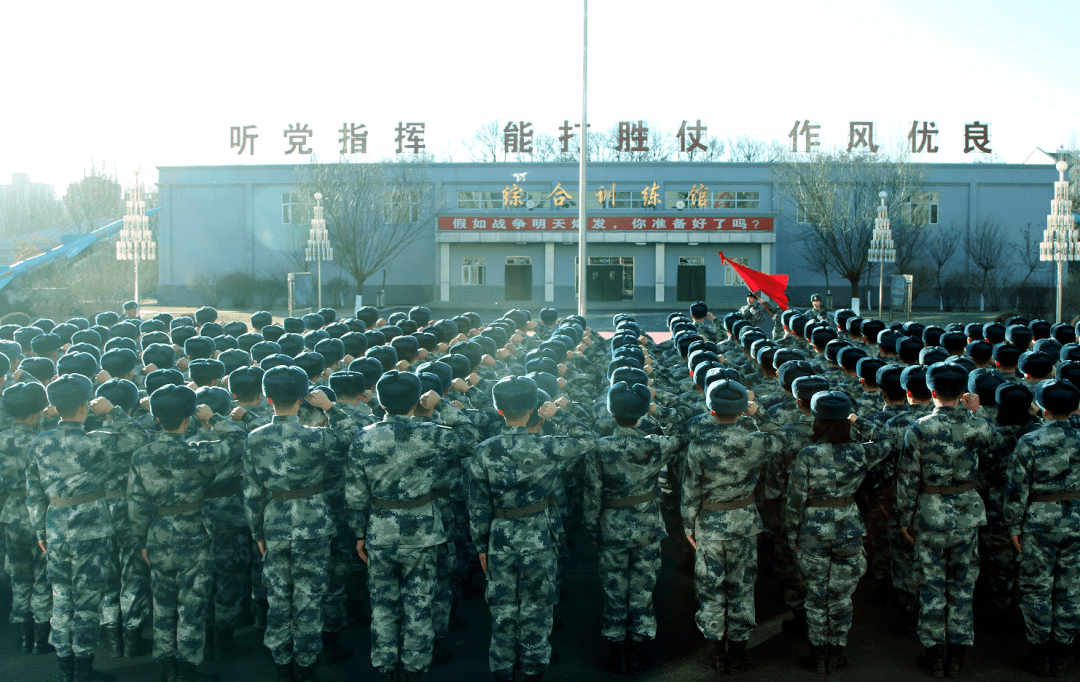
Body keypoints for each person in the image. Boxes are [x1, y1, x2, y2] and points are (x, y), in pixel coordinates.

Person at [345, 370, 478, 682]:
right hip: (423, 529)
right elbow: (472, 441)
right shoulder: (436, 433)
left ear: (380, 401)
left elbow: (354, 493)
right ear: (417, 400)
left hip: (380, 530)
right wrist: (442, 405)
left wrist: (357, 532)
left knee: (383, 605)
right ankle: (416, 669)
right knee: (419, 605)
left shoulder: (364, 436)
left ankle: (385, 669)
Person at [468, 376, 596, 682]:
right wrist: (559, 414)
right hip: (539, 533)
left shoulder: (485, 450)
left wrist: (480, 546)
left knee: (502, 606)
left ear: (499, 411)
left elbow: (477, 505)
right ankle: (533, 665)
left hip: (498, 535)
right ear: (532, 410)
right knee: (537, 604)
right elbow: (588, 440)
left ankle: (502, 666)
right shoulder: (547, 447)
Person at [26, 373, 150, 682]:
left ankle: (65, 667)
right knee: (86, 600)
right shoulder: (96, 440)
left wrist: (40, 531)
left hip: (55, 526)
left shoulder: (39, 442)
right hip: (92, 526)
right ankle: (83, 668)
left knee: (62, 597)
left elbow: (34, 493)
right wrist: (112, 411)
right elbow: (139, 438)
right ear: (85, 406)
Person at [242, 367, 357, 682]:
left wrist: (257, 532)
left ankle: (283, 666)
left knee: (278, 599)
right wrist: (329, 407)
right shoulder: (315, 435)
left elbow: (252, 493)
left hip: (274, 524)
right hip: (313, 524)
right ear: (301, 397)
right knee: (308, 599)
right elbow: (352, 434)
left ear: (268, 399)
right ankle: (306, 668)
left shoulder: (254, 437)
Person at [127, 385, 245, 682]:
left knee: (163, 606)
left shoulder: (141, 455)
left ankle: (168, 668)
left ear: (155, 417)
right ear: (188, 417)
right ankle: (189, 670)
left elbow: (137, 504)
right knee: (192, 605)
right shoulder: (199, 452)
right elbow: (238, 440)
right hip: (194, 534)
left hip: (158, 535)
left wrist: (141, 540)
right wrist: (214, 418)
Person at [897, 362, 1002, 678]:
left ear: (931, 392)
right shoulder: (976, 427)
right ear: (963, 394)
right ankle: (957, 655)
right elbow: (999, 447)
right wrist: (976, 413)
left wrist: (905, 517)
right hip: (967, 513)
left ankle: (934, 652)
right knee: (961, 585)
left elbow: (907, 478)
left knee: (931, 584)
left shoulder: (918, 428)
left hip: (929, 512)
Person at [681, 379, 783, 674]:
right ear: (741, 411)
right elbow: (782, 439)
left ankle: (715, 653)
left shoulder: (699, 445)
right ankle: (738, 654)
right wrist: (759, 414)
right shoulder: (758, 440)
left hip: (709, 526)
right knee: (741, 589)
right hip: (743, 524)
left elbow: (690, 491)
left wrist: (688, 526)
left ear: (711, 410)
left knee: (711, 590)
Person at [584, 381, 682, 674]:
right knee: (643, 589)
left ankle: (616, 650)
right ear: (640, 416)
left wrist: (592, 529)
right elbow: (681, 433)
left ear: (611, 414)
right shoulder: (653, 445)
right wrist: (656, 408)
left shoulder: (598, 448)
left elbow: (592, 494)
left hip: (611, 528)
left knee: (614, 590)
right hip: (647, 527)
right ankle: (638, 649)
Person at [785, 391, 886, 673]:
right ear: (845, 421)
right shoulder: (859, 451)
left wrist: (792, 536)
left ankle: (818, 654)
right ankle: (837, 651)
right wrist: (858, 421)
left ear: (817, 421)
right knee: (841, 595)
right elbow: (887, 441)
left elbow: (795, 501)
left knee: (817, 593)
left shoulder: (808, 454)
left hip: (812, 530)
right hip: (848, 529)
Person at [1005, 379, 1080, 677]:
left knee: (1036, 587)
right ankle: (1062, 653)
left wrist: (1013, 525)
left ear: (1042, 407)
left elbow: (1016, 489)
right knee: (1071, 588)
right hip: (1076, 519)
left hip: (1038, 521)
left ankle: (1039, 653)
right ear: (1074, 407)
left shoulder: (1030, 441)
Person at [0, 382, 54, 654]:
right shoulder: (44, 440)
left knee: (19, 575)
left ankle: (23, 635)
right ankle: (42, 636)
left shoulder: (0, 439)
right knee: (43, 575)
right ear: (36, 413)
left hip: (11, 513)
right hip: (40, 514)